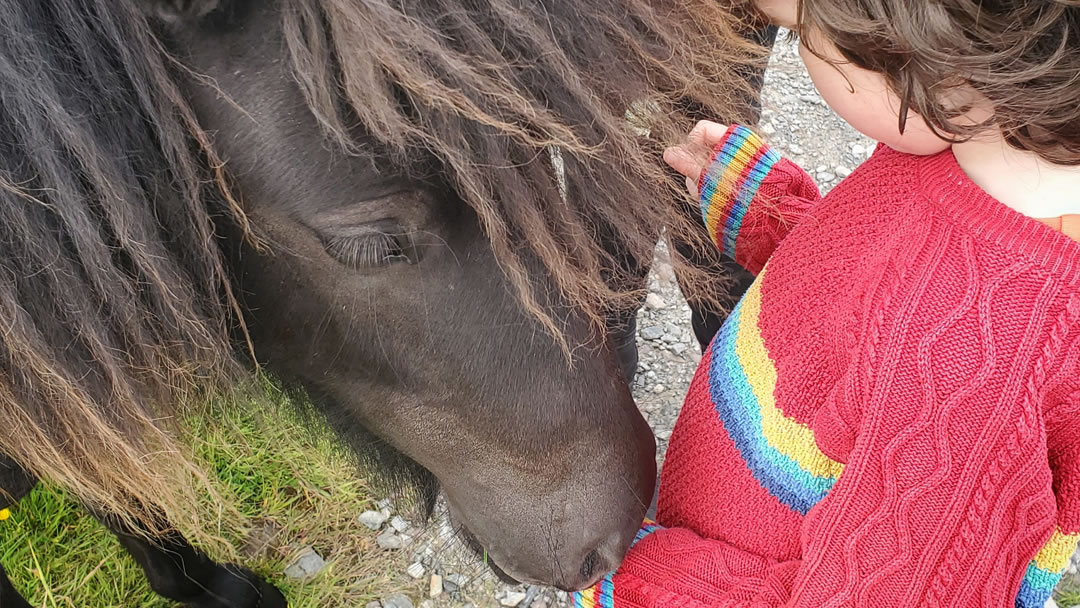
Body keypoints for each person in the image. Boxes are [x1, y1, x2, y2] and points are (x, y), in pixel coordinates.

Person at [575, 1, 1080, 606]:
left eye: (804, 32)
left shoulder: (977, 369)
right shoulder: (972, 145)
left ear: (907, 59)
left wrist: (637, 582)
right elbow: (882, 309)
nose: (799, 42)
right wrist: (770, 211)